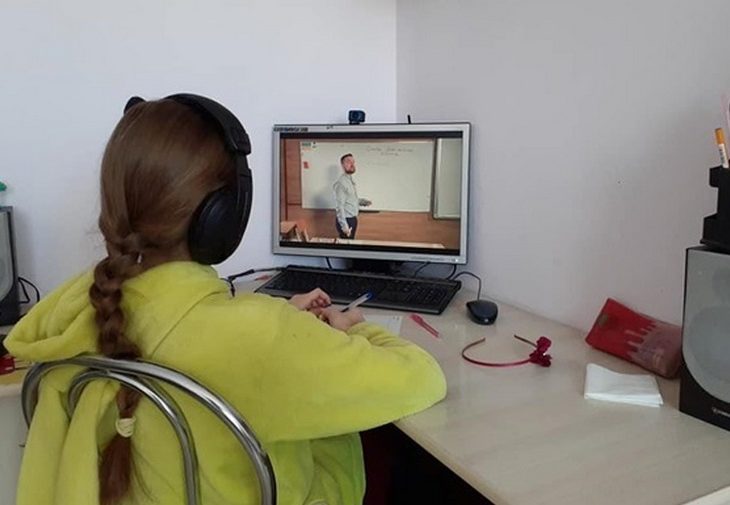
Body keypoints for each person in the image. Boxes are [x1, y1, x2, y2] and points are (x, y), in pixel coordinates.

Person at [5, 96, 446, 505]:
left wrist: (282, 319)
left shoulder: (76, 309)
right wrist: (351, 329)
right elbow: (424, 379)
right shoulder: (258, 334)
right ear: (224, 214)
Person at [333, 154, 371, 239]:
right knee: (346, 245)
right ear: (342, 165)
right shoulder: (341, 183)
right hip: (346, 220)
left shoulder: (350, 180)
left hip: (352, 219)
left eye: (353, 162)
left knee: (351, 242)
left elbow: (350, 199)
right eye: (348, 162)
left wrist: (363, 202)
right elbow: (339, 207)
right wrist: (344, 226)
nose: (352, 164)